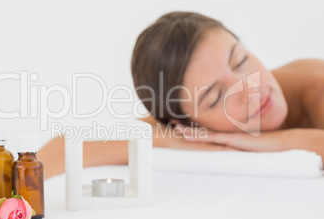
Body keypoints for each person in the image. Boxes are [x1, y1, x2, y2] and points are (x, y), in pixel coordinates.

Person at [38, 11, 324, 179]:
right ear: (189, 124)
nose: (250, 88)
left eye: (240, 60)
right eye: (215, 98)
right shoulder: (187, 129)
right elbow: (54, 154)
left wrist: (262, 141)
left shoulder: (316, 86)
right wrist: (170, 139)